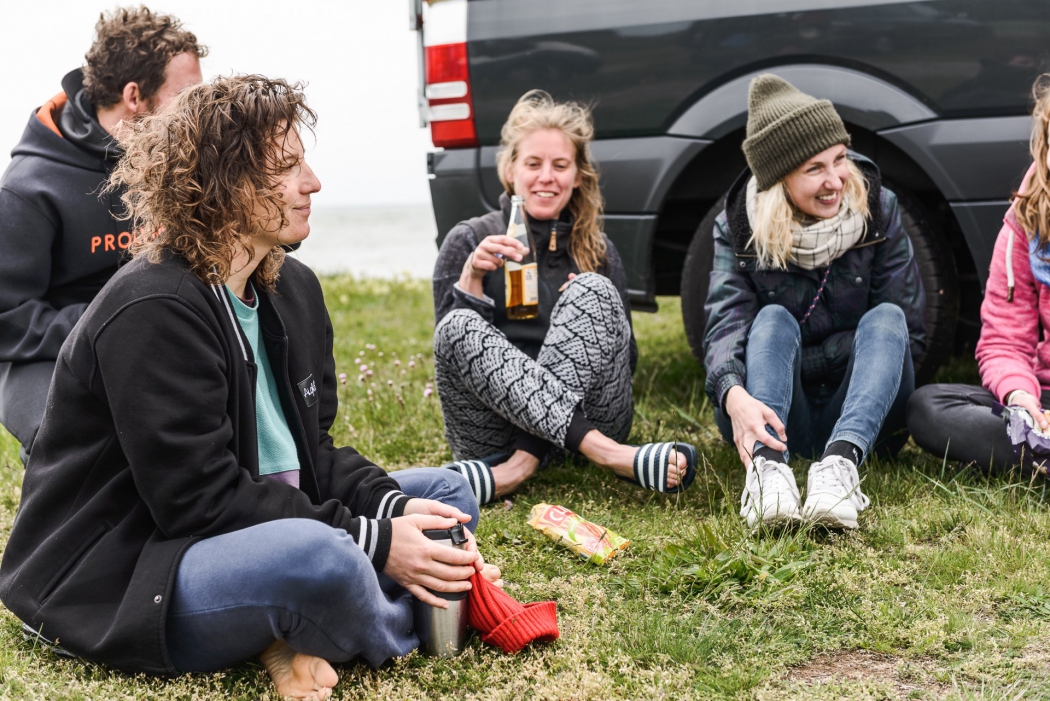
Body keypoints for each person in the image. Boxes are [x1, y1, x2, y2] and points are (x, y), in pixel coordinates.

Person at [0, 76, 500, 701]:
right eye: (288, 168)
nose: (313, 183)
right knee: (329, 560)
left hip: (253, 520)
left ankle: (295, 630)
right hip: (123, 570)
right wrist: (376, 544)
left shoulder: (292, 289)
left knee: (447, 497)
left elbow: (312, 453)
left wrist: (392, 513)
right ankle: (400, 617)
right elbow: (198, 503)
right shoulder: (151, 305)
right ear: (227, 185)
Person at [432, 90, 696, 505]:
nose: (546, 177)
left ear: (577, 176)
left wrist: (586, 323)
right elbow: (452, 356)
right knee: (455, 325)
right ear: (510, 170)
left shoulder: (600, 248)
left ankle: (521, 465)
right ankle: (607, 456)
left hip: (591, 415)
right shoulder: (469, 238)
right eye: (533, 164)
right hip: (492, 432)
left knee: (592, 288)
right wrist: (473, 282)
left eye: (560, 165)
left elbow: (626, 360)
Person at [703, 74, 926, 530]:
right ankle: (768, 475)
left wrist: (849, 370)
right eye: (813, 169)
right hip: (775, 416)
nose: (835, 180)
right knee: (771, 318)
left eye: (839, 159)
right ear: (779, 180)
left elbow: (909, 335)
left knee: (887, 317)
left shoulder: (878, 208)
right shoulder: (739, 226)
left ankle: (840, 467)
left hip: (867, 412)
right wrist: (732, 393)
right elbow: (725, 325)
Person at [0, 6, 205, 463]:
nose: (198, 110)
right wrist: (114, 323)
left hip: (155, 333)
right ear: (134, 95)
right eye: (186, 96)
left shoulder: (176, 163)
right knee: (92, 451)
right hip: (49, 356)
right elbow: (6, 321)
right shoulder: (29, 188)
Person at [908, 74, 1050, 475]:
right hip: (1044, 399)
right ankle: (1037, 446)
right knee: (928, 408)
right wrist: (1022, 397)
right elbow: (1004, 341)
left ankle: (1037, 456)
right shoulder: (1024, 225)